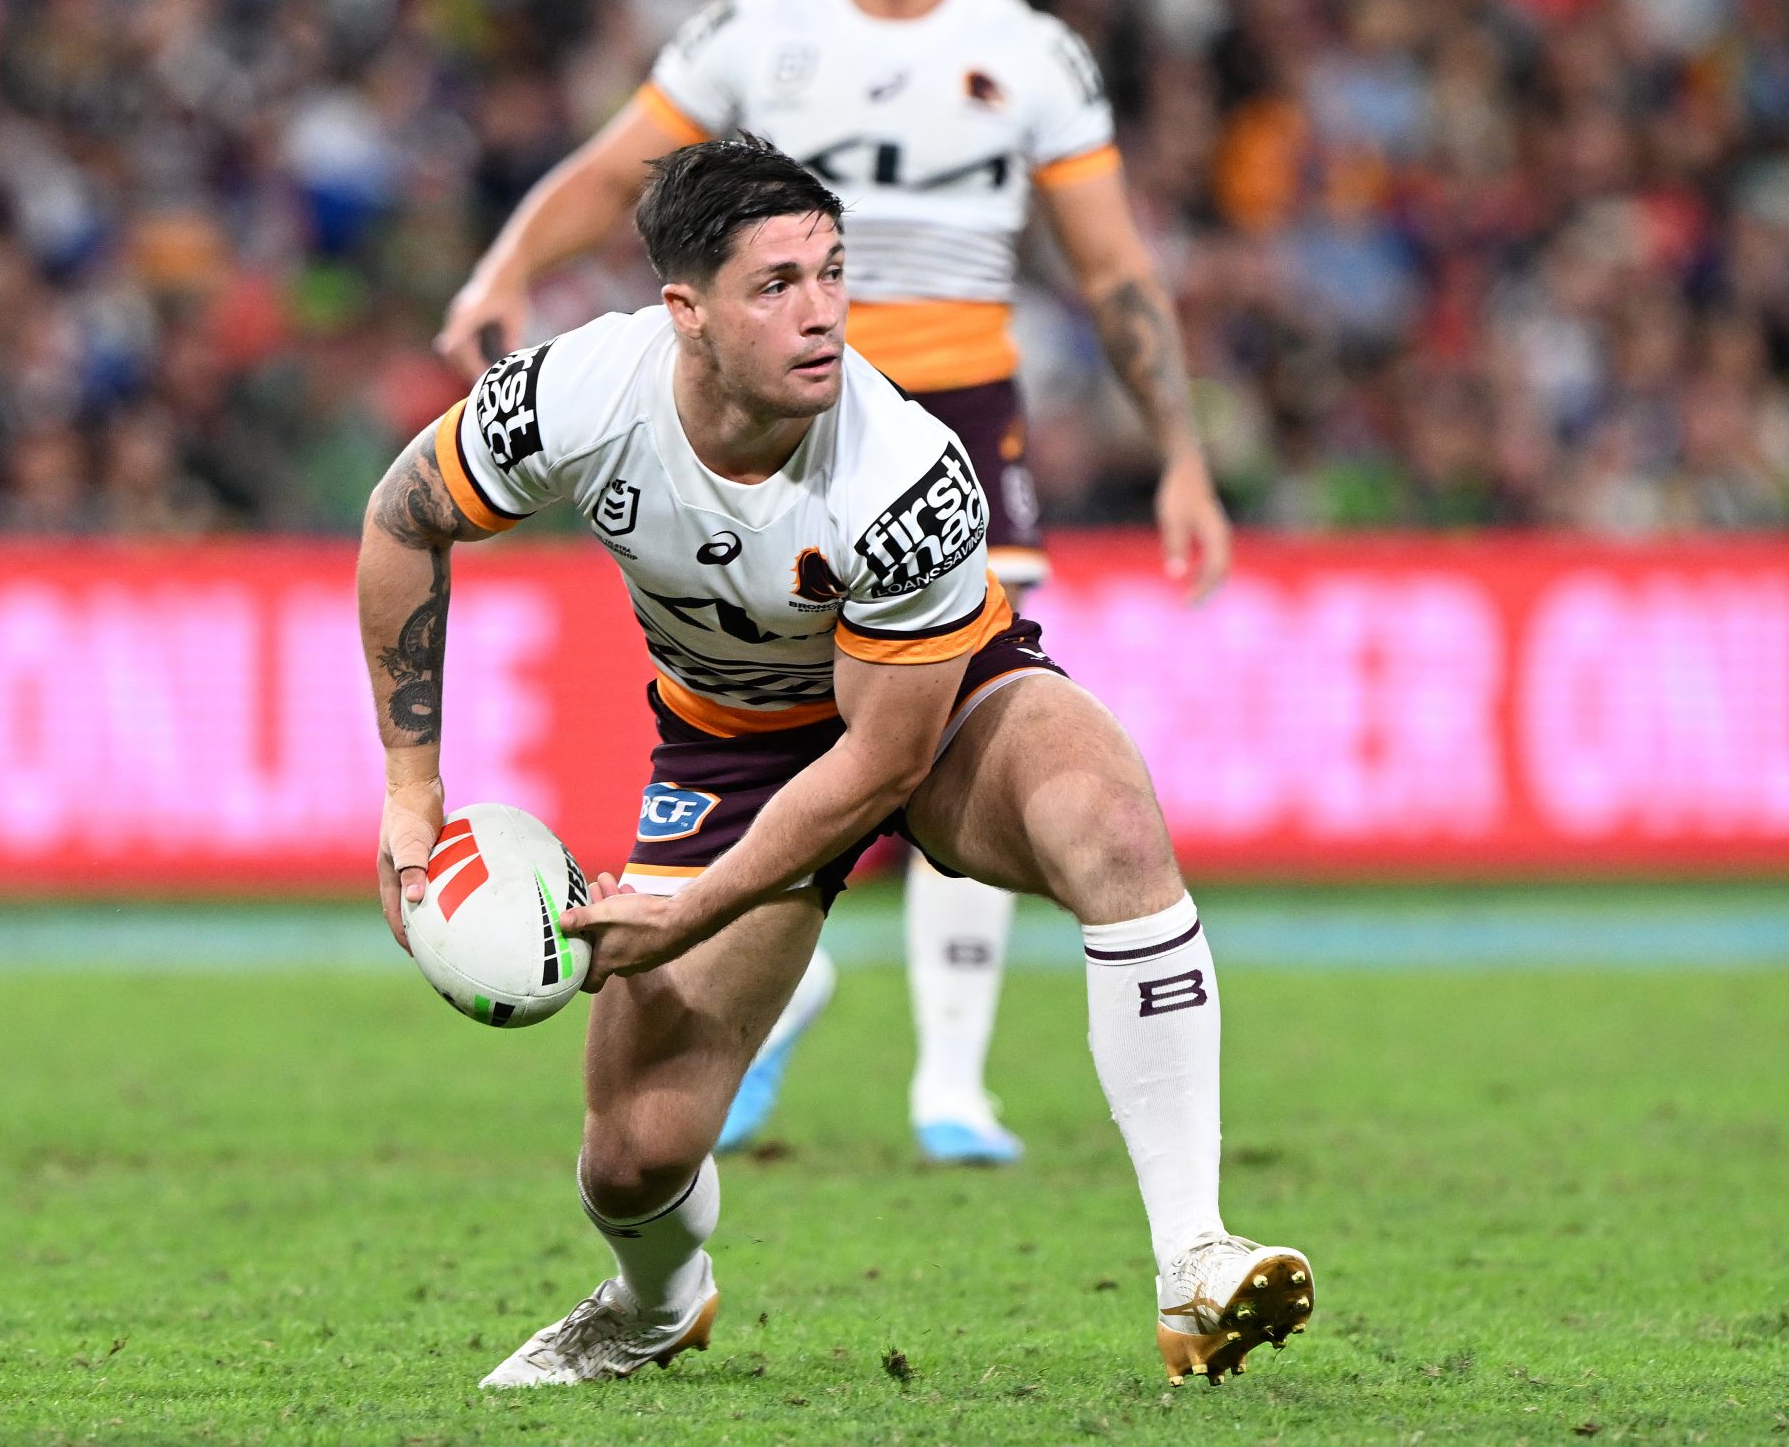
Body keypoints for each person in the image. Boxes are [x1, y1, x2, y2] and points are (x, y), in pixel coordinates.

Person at [361, 136, 1308, 1388]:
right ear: (684, 313)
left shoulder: (904, 473)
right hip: (730, 741)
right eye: (776, 285)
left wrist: (691, 909)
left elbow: (877, 770)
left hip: (940, 706)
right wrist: (411, 790)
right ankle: (654, 1304)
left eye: (831, 272)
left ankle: (1193, 1255)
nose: (822, 314)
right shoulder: (574, 398)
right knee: (634, 1156)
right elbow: (401, 518)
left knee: (1113, 827)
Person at [434, 0, 1231, 1166]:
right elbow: (625, 164)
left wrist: (1180, 449)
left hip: (962, 422)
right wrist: (508, 257)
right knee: (814, 726)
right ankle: (786, 966)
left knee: (968, 710)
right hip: (765, 419)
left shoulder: (1030, 52)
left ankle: (952, 1078)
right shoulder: (760, 29)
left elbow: (1113, 271)